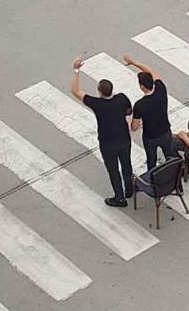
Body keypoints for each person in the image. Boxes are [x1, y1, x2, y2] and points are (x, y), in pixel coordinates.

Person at [71, 57, 134, 207]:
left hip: (107, 143)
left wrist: (76, 69)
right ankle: (130, 188)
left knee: (113, 170)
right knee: (126, 164)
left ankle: (119, 197)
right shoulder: (121, 98)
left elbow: (75, 91)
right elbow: (129, 111)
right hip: (124, 139)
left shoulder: (97, 104)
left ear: (99, 92)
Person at [123, 54, 177, 173]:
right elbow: (151, 71)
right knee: (171, 154)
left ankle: (154, 180)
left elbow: (134, 127)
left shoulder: (140, 105)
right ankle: (177, 173)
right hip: (165, 130)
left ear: (142, 87)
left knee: (151, 160)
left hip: (150, 137)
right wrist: (134, 62)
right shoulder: (161, 89)